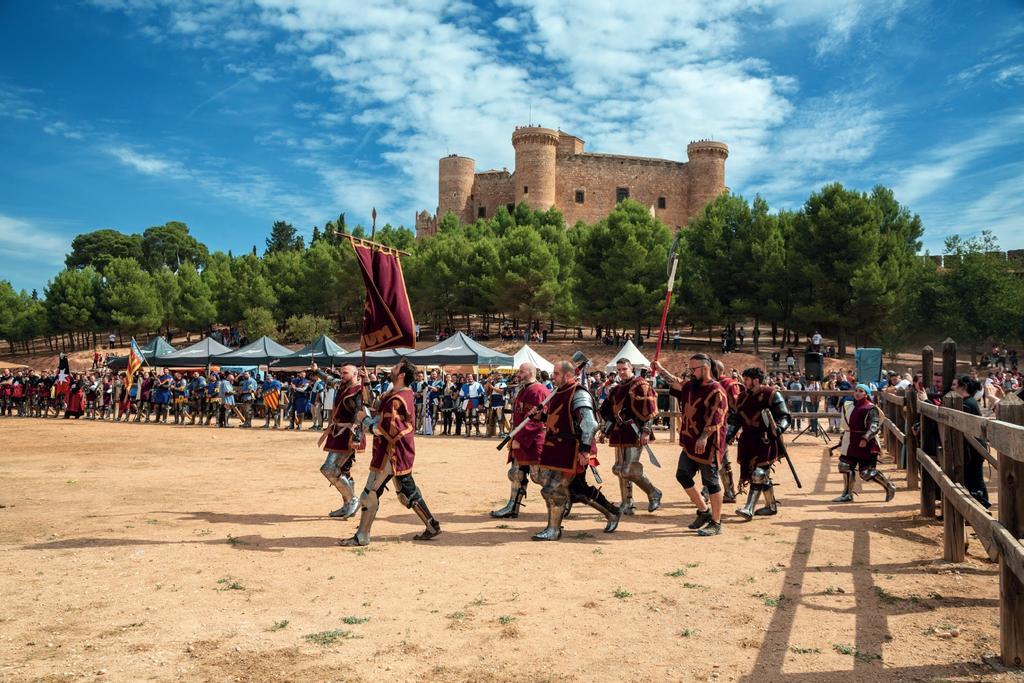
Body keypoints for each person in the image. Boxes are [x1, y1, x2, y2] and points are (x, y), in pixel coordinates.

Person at [342, 360, 441, 547]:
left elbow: (387, 428)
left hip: (391, 452)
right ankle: (432, 525)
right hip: (397, 450)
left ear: (402, 374)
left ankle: (362, 536)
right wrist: (368, 384)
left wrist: (365, 422)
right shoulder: (398, 393)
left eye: (396, 367)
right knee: (406, 491)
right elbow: (376, 404)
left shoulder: (397, 398)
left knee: (368, 494)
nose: (392, 369)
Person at [532, 359, 620, 541]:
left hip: (573, 450)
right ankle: (612, 513)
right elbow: (559, 418)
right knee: (578, 489)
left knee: (552, 489)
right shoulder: (559, 392)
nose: (552, 377)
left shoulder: (578, 394)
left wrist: (585, 450)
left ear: (568, 375)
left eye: (556, 374)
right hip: (558, 448)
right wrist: (541, 416)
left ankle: (553, 530)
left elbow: (589, 423)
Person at [652, 354, 729, 537]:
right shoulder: (690, 386)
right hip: (689, 441)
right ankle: (704, 511)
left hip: (707, 444)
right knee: (682, 475)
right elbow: (675, 382)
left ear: (705, 368)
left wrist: (703, 437)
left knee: (710, 482)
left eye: (693, 369)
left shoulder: (716, 391)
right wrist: (660, 369)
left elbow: (717, 417)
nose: (690, 373)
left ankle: (716, 522)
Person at [598, 358, 662, 515]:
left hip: (636, 432)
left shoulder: (641, 385)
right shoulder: (616, 389)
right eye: (619, 370)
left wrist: (646, 430)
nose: (621, 372)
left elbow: (650, 409)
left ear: (631, 368)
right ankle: (627, 503)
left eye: (624, 369)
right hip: (620, 433)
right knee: (619, 469)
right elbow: (609, 411)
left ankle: (654, 492)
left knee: (629, 469)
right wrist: (605, 429)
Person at [729, 367, 791, 520]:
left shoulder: (772, 394)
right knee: (759, 475)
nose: (744, 382)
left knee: (758, 474)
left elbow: (784, 416)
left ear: (756, 380)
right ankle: (771, 506)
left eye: (747, 379)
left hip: (766, 439)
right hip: (748, 441)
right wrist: (727, 435)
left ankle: (749, 508)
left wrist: (780, 427)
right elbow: (736, 420)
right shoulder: (742, 397)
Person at [491, 362, 550, 519]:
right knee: (516, 473)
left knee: (540, 477)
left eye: (521, 372)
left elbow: (536, 420)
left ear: (530, 373)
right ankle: (512, 506)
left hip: (532, 439)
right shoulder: (524, 389)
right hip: (519, 436)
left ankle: (558, 505)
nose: (518, 374)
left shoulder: (538, 391)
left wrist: (521, 440)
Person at [318, 364, 367, 519]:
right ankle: (347, 505)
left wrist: (357, 436)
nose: (342, 375)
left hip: (349, 435)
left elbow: (360, 415)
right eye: (341, 372)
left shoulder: (358, 391)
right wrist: (316, 370)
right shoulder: (341, 385)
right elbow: (329, 379)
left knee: (329, 469)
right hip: (337, 432)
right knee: (343, 471)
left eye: (345, 373)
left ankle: (353, 499)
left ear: (355, 374)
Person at [833, 384, 895, 502]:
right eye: (856, 390)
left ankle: (889, 486)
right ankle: (847, 494)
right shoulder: (849, 406)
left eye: (861, 391)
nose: (857, 393)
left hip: (865, 443)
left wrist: (865, 438)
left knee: (866, 473)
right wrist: (843, 437)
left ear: (866, 394)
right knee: (845, 466)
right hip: (850, 441)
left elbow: (874, 426)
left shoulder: (870, 408)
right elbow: (848, 424)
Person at [955, 375, 990, 508]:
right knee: (973, 479)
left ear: (963, 387)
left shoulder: (967, 404)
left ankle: (982, 507)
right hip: (973, 447)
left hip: (974, 448)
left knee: (975, 480)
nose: (952, 388)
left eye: (954, 385)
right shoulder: (968, 402)